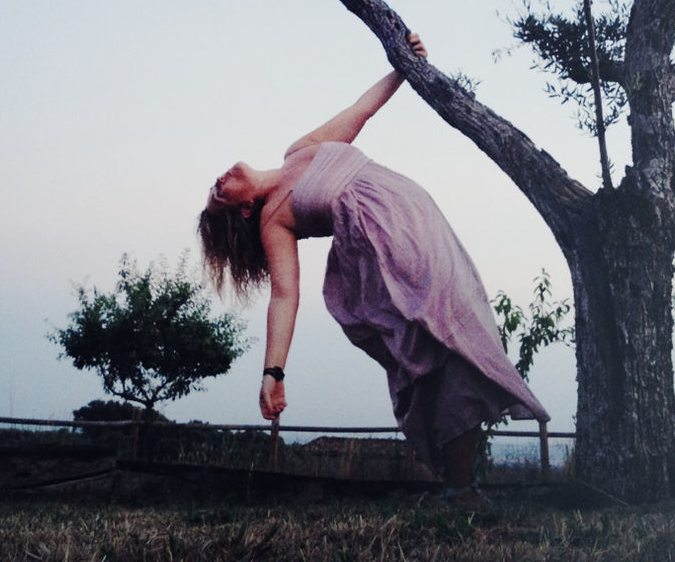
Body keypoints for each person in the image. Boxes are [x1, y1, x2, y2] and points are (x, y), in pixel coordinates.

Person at [198, 34, 549, 502]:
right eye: (219, 194)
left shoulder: (299, 149)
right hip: (388, 256)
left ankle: (460, 483)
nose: (220, 181)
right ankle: (459, 484)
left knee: (463, 328)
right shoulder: (272, 221)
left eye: (214, 183)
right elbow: (285, 295)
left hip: (420, 221)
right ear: (243, 211)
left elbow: (360, 111)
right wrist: (273, 372)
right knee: (436, 343)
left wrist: (404, 65)